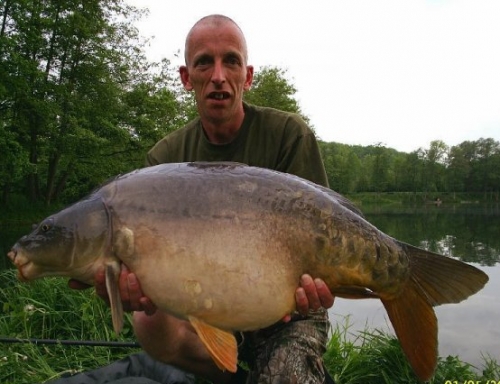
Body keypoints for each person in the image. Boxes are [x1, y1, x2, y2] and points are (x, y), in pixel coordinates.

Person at [59, 14, 335, 384]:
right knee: (147, 320)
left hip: (285, 302)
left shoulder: (289, 135)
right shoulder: (164, 159)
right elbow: (144, 271)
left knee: (286, 374)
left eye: (231, 61)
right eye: (204, 62)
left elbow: (323, 235)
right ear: (187, 77)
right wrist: (125, 284)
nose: (218, 76)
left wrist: (317, 286)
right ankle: (224, 372)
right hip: (200, 303)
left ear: (247, 76)